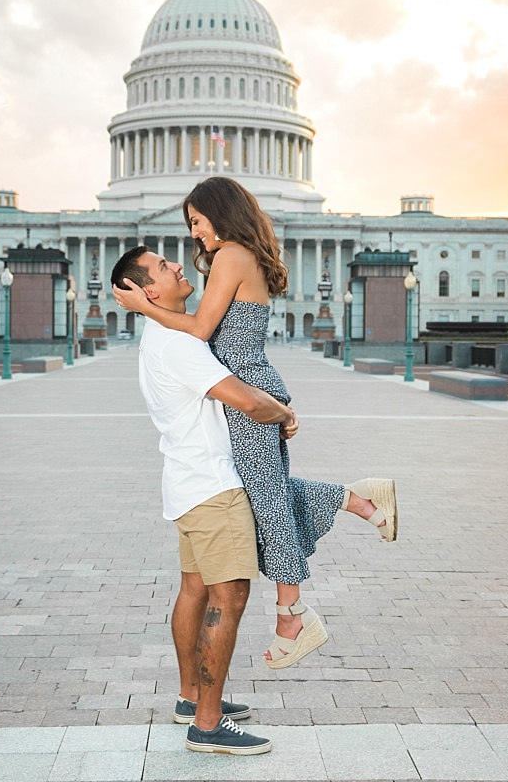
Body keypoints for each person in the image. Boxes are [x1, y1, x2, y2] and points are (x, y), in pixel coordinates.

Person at [115, 176, 396, 671]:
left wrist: (144, 307)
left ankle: (292, 617)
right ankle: (359, 500)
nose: (194, 234)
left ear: (219, 212)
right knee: (267, 492)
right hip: (248, 385)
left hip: (246, 391)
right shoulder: (237, 256)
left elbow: (201, 329)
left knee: (268, 503)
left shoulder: (230, 256)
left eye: (196, 221)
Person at [111, 245, 291, 755]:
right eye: (162, 267)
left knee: (194, 590)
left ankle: (192, 698)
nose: (176, 265)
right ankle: (208, 725)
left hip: (186, 485)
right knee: (228, 598)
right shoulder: (178, 344)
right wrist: (284, 413)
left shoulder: (159, 335)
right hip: (214, 489)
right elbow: (247, 400)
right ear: (149, 292)